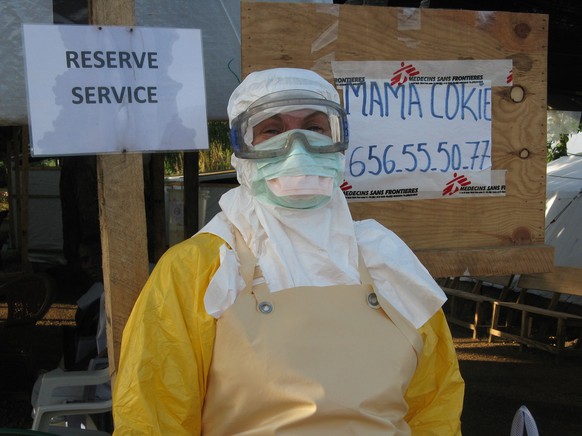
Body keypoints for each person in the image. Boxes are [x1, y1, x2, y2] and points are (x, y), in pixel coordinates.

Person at [112, 68, 464, 435]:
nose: (297, 147)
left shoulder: (386, 259)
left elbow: (435, 403)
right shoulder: (197, 268)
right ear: (241, 148)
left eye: (315, 129)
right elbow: (153, 416)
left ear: (339, 141)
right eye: (272, 131)